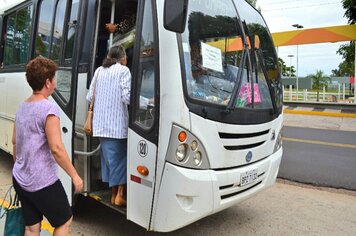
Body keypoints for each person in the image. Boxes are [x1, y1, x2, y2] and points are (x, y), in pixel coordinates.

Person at [11, 57, 83, 236]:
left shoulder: (22, 107)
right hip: (42, 182)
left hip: (20, 178)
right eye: (54, 78)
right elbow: (56, 148)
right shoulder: (48, 109)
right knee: (65, 221)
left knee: (31, 227)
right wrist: (75, 176)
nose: (56, 83)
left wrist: (23, 168)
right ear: (47, 82)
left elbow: (15, 142)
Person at [86, 46, 130, 206]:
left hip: (100, 126)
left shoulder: (99, 71)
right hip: (117, 127)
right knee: (120, 161)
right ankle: (120, 195)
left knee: (109, 162)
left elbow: (89, 96)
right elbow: (127, 97)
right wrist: (146, 102)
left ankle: (113, 196)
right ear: (123, 58)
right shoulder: (123, 70)